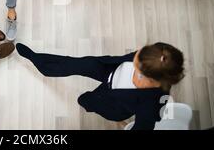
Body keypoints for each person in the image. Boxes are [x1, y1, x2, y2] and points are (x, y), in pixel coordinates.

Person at [16, 42, 185, 130]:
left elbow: (146, 125)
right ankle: (40, 62)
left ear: (154, 81)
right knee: (76, 64)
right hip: (109, 68)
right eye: (137, 57)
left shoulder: (151, 108)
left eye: (138, 70)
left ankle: (86, 103)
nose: (133, 66)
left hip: (112, 102)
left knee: (86, 101)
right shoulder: (161, 54)